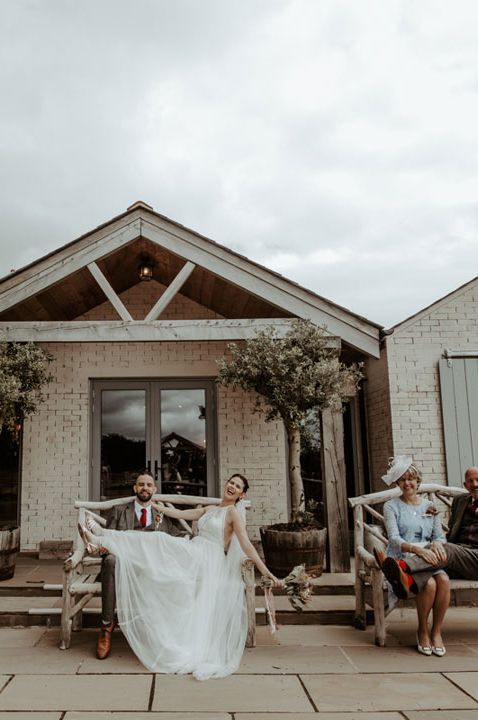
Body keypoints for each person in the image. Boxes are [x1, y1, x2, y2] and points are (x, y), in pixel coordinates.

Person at [79, 473, 282, 680]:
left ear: (242, 494)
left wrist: (266, 572)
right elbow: (181, 515)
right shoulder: (211, 509)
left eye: (237, 486)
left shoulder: (233, 514)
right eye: (231, 482)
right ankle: (100, 538)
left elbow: (246, 545)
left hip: (207, 559)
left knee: (158, 539)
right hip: (195, 551)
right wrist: (154, 507)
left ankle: (101, 537)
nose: (232, 486)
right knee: (158, 545)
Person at [95, 472, 184, 660]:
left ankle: (167, 632)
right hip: (124, 564)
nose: (145, 488)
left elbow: (176, 536)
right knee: (110, 560)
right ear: (135, 488)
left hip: (151, 566)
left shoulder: (161, 513)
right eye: (141, 484)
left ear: (154, 489)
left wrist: (196, 543)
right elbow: (107, 540)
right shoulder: (119, 510)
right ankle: (106, 628)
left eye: (149, 485)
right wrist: (101, 546)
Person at [374, 456, 450, 657]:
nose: (407, 483)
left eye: (411, 479)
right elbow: (394, 539)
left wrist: (435, 543)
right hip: (404, 557)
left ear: (418, 481)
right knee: (430, 585)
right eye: (402, 479)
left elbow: (440, 536)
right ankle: (422, 631)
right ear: (398, 483)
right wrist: (417, 550)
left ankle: (436, 632)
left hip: (429, 559)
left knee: (443, 579)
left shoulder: (429, 506)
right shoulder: (391, 506)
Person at [381, 466, 478, 604]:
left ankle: (401, 566)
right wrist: (437, 544)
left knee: (446, 549)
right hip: (459, 559)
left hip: (474, 558)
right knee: (434, 568)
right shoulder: (460, 501)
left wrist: (440, 544)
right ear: (465, 485)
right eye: (471, 481)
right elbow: (451, 531)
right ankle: (406, 581)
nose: (475, 484)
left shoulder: (428, 505)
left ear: (417, 481)